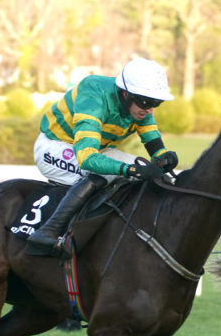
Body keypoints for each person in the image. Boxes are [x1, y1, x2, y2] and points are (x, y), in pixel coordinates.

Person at [27, 56, 179, 257]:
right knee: (107, 173)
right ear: (125, 94)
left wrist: (163, 157)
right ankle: (48, 231)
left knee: (144, 168)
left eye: (156, 103)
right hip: (56, 147)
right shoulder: (93, 94)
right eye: (146, 102)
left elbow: (150, 137)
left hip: (93, 149)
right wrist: (130, 170)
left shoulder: (138, 104)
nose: (150, 109)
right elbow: (87, 158)